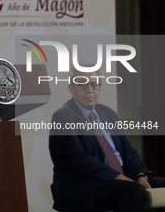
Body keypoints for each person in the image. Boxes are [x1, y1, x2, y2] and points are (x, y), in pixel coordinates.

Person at [49, 67, 165, 212]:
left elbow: (127, 150)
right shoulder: (63, 117)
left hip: (119, 177)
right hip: (86, 183)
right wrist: (117, 176)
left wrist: (140, 175)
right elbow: (78, 159)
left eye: (94, 84)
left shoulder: (107, 113)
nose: (89, 89)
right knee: (134, 191)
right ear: (71, 88)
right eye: (82, 84)